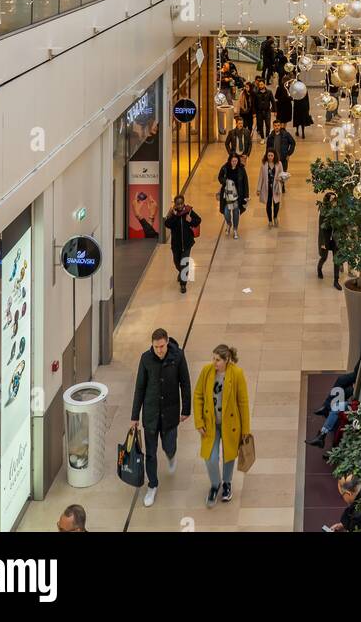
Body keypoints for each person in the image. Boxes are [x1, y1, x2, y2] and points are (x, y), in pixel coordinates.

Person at [130, 327, 191, 507]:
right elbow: (139, 388)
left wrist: (186, 409)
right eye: (156, 347)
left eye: (162, 346)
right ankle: (153, 485)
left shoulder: (178, 356)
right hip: (150, 414)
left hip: (170, 413)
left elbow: (185, 383)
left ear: (167, 342)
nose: (159, 350)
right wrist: (134, 416)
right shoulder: (146, 359)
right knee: (150, 453)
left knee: (169, 445)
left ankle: (171, 455)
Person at [193, 344, 251, 508]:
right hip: (210, 423)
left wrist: (245, 430)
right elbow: (198, 396)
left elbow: (243, 402)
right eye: (213, 358)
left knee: (229, 455)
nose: (214, 362)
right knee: (210, 457)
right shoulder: (207, 371)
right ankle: (215, 484)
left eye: (217, 360)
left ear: (227, 360)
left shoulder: (237, 374)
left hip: (230, 424)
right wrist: (199, 421)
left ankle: (227, 484)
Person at [163, 195, 200, 294]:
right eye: (177, 204)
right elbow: (167, 224)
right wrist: (174, 216)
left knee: (184, 263)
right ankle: (181, 272)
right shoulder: (172, 213)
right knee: (176, 262)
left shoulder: (189, 211)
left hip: (187, 243)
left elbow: (198, 220)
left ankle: (183, 284)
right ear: (175, 204)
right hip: (176, 244)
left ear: (184, 203)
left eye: (181, 203)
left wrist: (191, 220)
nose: (179, 206)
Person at [217, 152, 249, 238]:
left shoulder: (241, 169)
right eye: (233, 161)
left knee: (236, 213)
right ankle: (228, 223)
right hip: (227, 195)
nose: (234, 162)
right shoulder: (225, 168)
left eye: (236, 161)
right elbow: (219, 177)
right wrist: (225, 181)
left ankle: (235, 229)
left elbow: (245, 183)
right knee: (226, 212)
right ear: (230, 161)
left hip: (238, 196)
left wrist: (246, 196)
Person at [317, 197, 342, 289]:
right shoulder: (324, 212)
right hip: (326, 239)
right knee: (324, 257)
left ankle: (336, 280)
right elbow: (321, 228)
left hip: (335, 239)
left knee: (337, 260)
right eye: (333, 201)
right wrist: (323, 242)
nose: (334, 203)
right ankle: (319, 269)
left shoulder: (338, 211)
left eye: (335, 201)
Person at [257, 150, 286, 226]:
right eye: (268, 155)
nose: (270, 157)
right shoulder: (264, 164)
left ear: (274, 156)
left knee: (276, 203)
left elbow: (282, 175)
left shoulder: (279, 164)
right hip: (267, 188)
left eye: (271, 155)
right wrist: (258, 189)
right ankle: (270, 220)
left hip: (276, 187)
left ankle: (275, 217)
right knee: (268, 204)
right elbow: (261, 177)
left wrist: (281, 179)